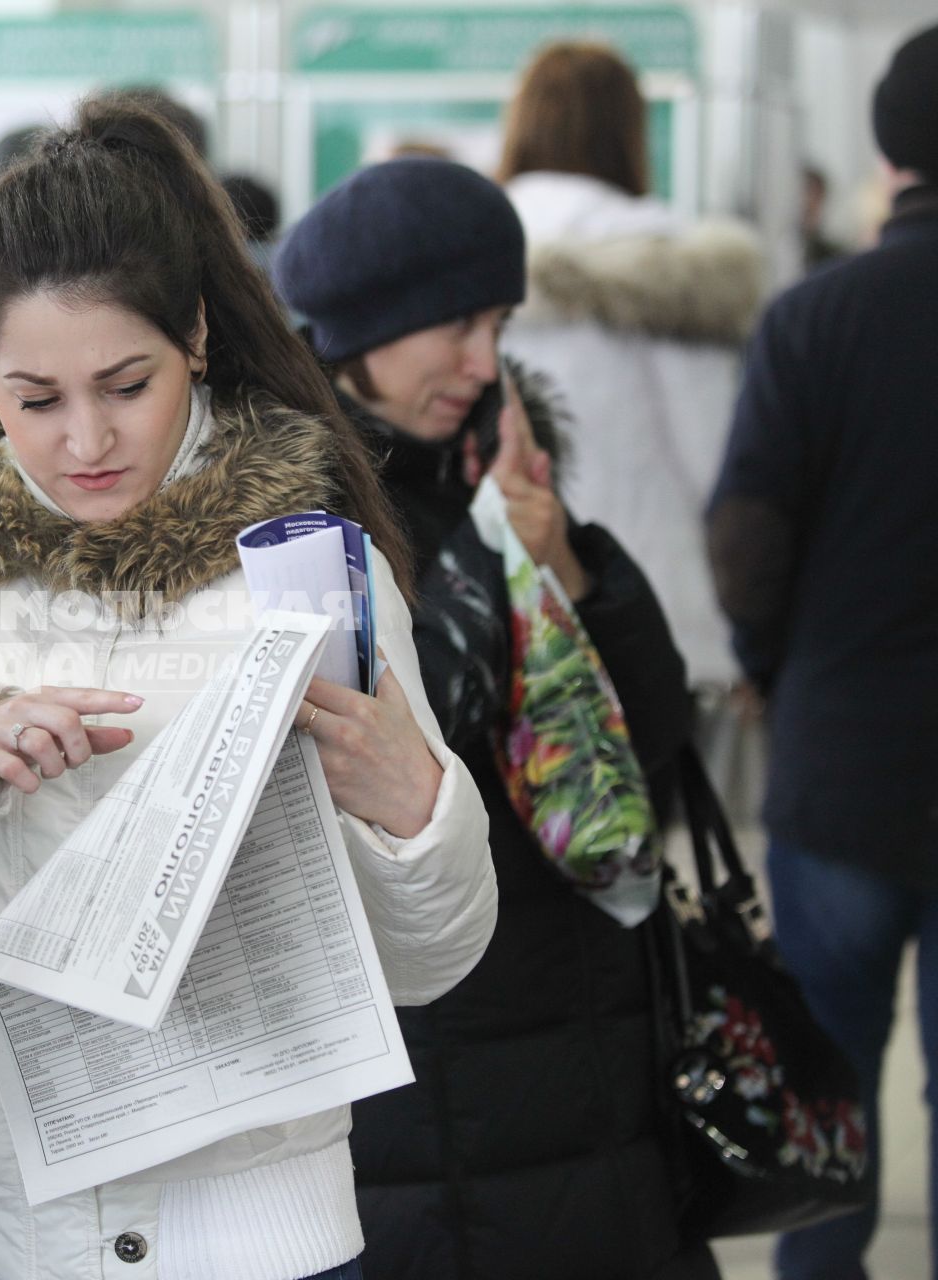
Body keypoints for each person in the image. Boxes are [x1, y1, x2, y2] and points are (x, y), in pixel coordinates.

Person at [0, 98, 497, 1280]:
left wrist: (415, 809)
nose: (85, 440)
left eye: (126, 383)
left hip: (253, 1231)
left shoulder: (312, 568)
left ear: (197, 341)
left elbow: (431, 963)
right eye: (36, 398)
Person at [277, 158, 709, 1279]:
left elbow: (647, 757)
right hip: (432, 1067)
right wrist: (488, 558)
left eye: (501, 323)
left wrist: (565, 560)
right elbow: (377, 757)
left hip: (589, 1032)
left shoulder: (506, 465)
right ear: (362, 326)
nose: (484, 361)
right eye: (454, 325)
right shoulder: (284, 520)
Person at [707, 23, 938, 1278]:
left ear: (889, 148)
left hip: (842, 753)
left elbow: (747, 533)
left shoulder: (815, 319)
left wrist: (767, 655)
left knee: (830, 1085)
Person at [494, 41, 764, 804]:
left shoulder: (483, 236)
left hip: (504, 578)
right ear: (627, 128)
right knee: (641, 821)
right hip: (642, 594)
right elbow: (714, 456)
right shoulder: (664, 255)